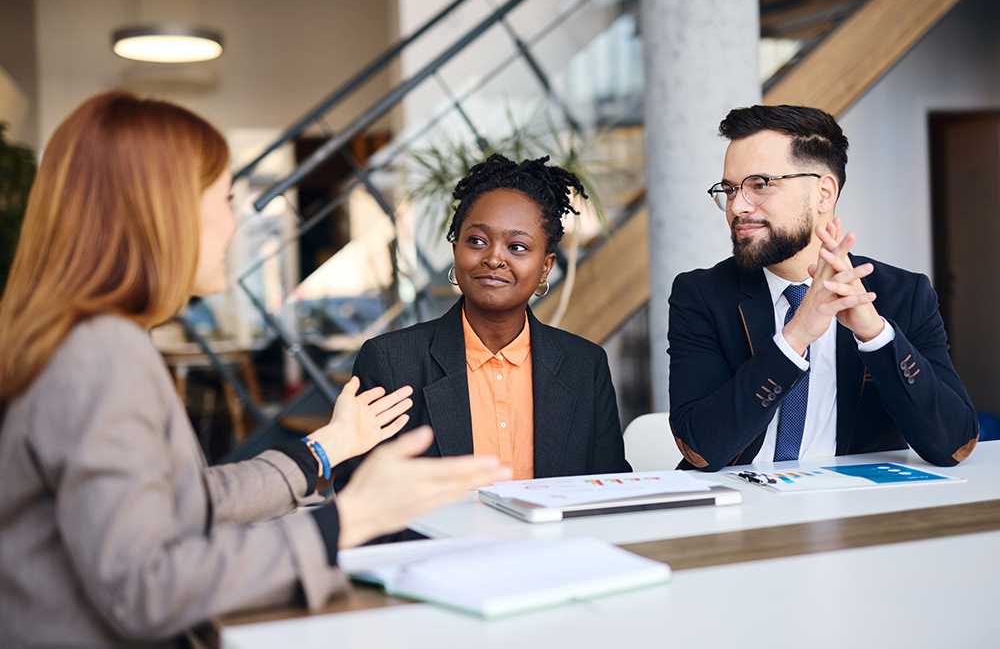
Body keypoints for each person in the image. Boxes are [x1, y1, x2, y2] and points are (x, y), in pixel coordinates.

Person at [0, 91, 505, 647]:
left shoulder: (83, 336)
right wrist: (351, 520)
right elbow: (146, 586)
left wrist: (325, 448)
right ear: (162, 211)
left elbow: (183, 501)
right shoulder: (100, 351)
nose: (234, 223)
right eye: (224, 198)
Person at [667, 105, 979, 472]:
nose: (736, 207)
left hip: (853, 510)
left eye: (759, 185)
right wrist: (796, 336)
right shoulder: (701, 295)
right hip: (737, 508)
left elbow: (955, 445)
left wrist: (875, 336)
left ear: (824, 194)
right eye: (730, 189)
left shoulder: (902, 295)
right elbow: (701, 449)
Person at [335, 153, 630, 492]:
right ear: (456, 248)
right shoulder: (391, 362)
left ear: (546, 267)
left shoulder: (585, 366)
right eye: (477, 241)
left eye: (517, 247)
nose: (493, 258)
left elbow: (608, 488)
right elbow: (359, 498)